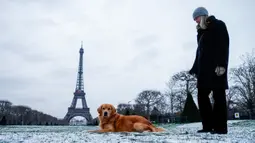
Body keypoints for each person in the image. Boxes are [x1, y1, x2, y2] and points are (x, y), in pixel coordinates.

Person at [189, 7, 230, 134]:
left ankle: (220, 128)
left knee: (219, 96)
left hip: (217, 68)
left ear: (203, 15)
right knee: (202, 96)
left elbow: (224, 46)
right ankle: (207, 126)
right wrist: (195, 68)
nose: (195, 21)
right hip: (203, 71)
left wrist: (222, 66)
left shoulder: (218, 25)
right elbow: (200, 52)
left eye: (196, 18)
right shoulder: (201, 32)